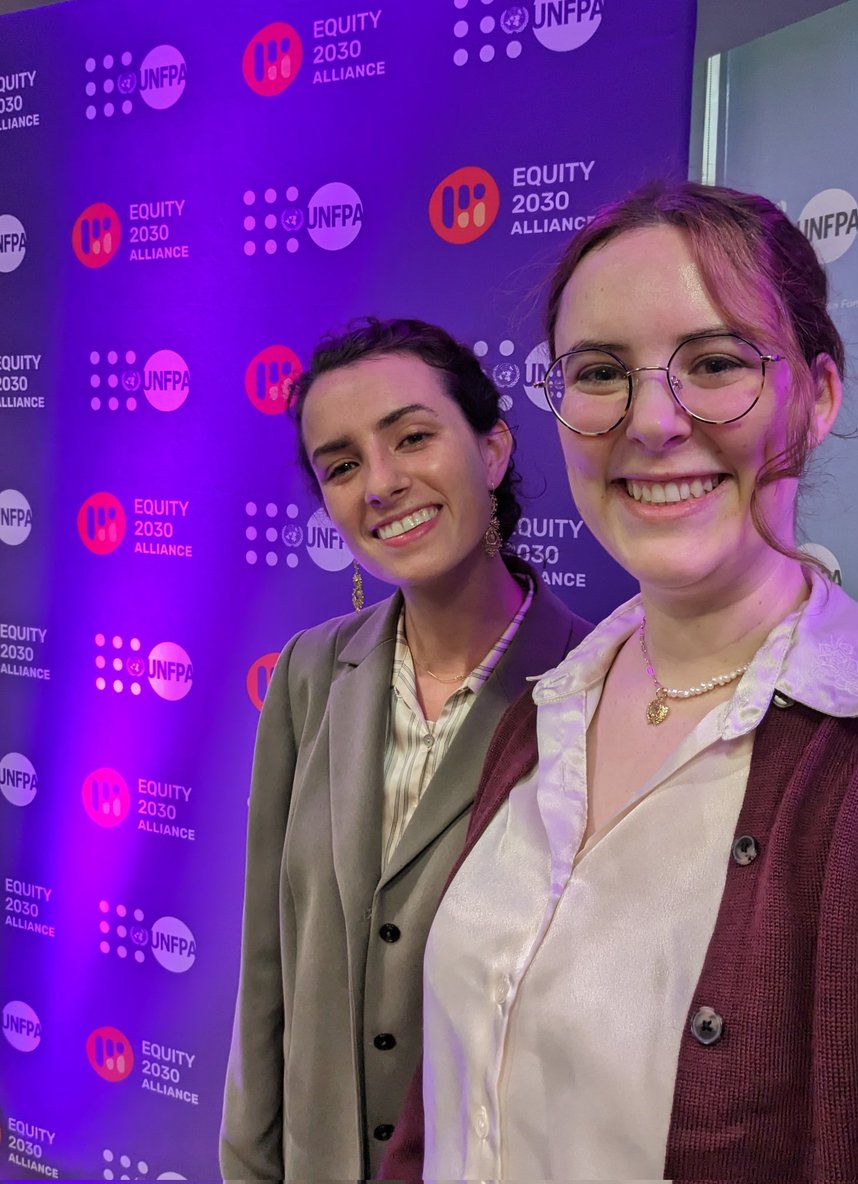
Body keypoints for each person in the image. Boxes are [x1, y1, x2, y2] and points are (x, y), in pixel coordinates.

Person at [381, 184, 858, 1181]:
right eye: (598, 373)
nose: (651, 421)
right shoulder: (539, 716)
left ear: (819, 392)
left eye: (714, 363)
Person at [218, 316, 590, 1181]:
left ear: (492, 450)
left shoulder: (593, 684)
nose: (380, 484)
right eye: (341, 466)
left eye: (412, 438)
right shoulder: (311, 672)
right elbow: (268, 961)